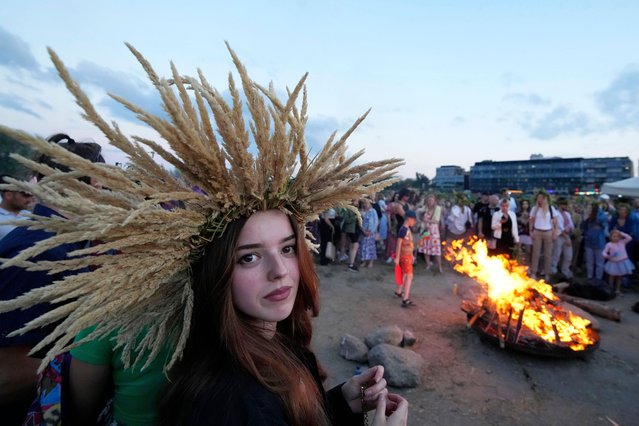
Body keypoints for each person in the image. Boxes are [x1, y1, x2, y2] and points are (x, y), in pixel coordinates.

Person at [0, 43, 408, 425]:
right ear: (215, 272)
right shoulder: (230, 396)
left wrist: (339, 402)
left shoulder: (276, 338)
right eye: (248, 256)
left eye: (287, 248)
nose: (280, 271)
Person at [0, 135, 104, 425]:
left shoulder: (60, 243)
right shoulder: (36, 254)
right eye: (103, 187)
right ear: (82, 187)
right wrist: (96, 361)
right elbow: (6, 376)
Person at [529, 190, 558, 281]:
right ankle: (534, 272)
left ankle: (547, 273)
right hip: (537, 231)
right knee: (536, 253)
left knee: (548, 254)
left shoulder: (550, 208)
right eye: (538, 198)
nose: (540, 200)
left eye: (542, 198)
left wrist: (554, 233)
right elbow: (531, 220)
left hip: (548, 232)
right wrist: (531, 231)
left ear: (545, 199)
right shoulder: (534, 208)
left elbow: (555, 222)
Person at [0, 175, 34, 241]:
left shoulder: (31, 216)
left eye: (31, 196)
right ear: (8, 195)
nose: (29, 200)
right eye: (25, 195)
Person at [395, 210, 417, 307]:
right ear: (409, 219)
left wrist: (412, 255)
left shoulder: (406, 229)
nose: (414, 222)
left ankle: (399, 291)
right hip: (405, 256)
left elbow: (409, 244)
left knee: (404, 274)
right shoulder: (404, 230)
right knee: (409, 276)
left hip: (407, 255)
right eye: (414, 220)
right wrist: (397, 257)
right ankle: (405, 298)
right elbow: (399, 244)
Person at [581, 202, 608, 280]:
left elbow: (603, 221)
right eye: (588, 208)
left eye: (590, 208)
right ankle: (589, 278)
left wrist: (597, 212)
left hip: (599, 243)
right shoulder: (587, 218)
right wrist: (585, 218)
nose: (588, 210)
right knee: (589, 262)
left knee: (599, 263)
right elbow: (582, 227)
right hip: (588, 243)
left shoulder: (601, 215)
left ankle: (598, 279)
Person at [603, 229, 634, 296]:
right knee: (611, 276)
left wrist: (621, 233)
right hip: (613, 263)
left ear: (619, 237)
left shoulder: (622, 242)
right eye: (614, 236)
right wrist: (608, 256)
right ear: (611, 237)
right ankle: (610, 289)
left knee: (619, 277)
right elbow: (604, 252)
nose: (615, 238)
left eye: (617, 236)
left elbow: (629, 238)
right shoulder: (609, 244)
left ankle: (618, 290)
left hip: (622, 262)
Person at [418, 194, 443, 273]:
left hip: (433, 231)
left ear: (434, 201)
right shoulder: (425, 208)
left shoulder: (438, 209)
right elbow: (418, 211)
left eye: (431, 200)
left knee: (436, 248)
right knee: (426, 247)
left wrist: (426, 221)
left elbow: (436, 221)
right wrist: (421, 203)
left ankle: (439, 266)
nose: (430, 202)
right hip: (425, 230)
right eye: (428, 200)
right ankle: (428, 264)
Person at [551, 197, 575, 279]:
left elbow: (571, 225)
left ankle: (565, 270)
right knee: (556, 254)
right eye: (564, 204)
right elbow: (559, 227)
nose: (566, 206)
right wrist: (566, 236)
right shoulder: (556, 214)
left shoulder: (567, 214)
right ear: (560, 205)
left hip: (567, 235)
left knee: (568, 255)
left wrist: (570, 229)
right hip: (559, 236)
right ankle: (553, 271)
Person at [359, 197, 379, 268]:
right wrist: (363, 231)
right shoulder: (361, 211)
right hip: (364, 232)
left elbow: (376, 222)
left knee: (371, 248)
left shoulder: (373, 211)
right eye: (363, 203)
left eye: (366, 203)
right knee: (363, 247)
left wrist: (371, 231)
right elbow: (360, 222)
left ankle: (371, 262)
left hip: (371, 233)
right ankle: (364, 261)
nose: (365, 205)